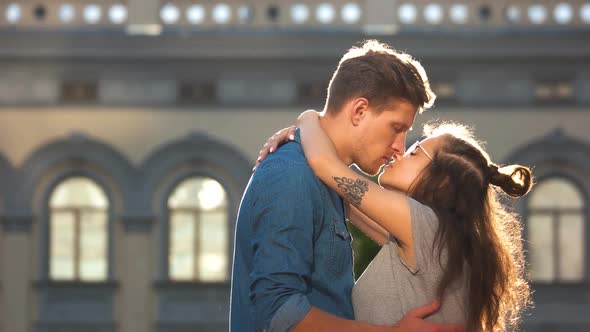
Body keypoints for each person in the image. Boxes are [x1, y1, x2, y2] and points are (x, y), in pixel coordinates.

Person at [230, 40, 463, 332]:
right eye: (397, 128)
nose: (399, 148)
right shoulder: (291, 175)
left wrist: (307, 120)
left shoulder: (328, 183)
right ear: (359, 111)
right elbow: (279, 313)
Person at [258, 112, 532, 332]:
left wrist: (307, 120)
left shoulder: (426, 225)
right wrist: (299, 143)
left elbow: (324, 164)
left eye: (414, 153)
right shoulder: (435, 235)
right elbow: (344, 198)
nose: (399, 153)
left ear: (442, 181)